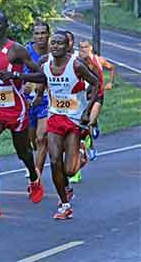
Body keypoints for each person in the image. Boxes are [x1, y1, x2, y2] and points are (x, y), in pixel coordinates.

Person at [0, 10, 46, 222]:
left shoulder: (16, 50)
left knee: (23, 152)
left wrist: (17, 75)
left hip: (15, 110)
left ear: (5, 26)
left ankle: (34, 177)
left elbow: (41, 75)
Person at [43, 31, 98, 219]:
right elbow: (39, 76)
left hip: (74, 119)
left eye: (60, 43)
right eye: (53, 43)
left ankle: (81, 154)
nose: (55, 46)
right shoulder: (46, 64)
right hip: (55, 117)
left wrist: (87, 110)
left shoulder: (77, 65)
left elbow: (96, 83)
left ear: (67, 46)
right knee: (54, 160)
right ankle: (64, 204)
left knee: (70, 170)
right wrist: (14, 75)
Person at [78, 39, 116, 159]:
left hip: (98, 95)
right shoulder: (77, 63)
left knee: (90, 121)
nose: (83, 49)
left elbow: (112, 68)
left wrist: (110, 82)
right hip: (84, 97)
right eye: (81, 47)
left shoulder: (98, 60)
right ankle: (92, 148)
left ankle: (94, 125)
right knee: (85, 123)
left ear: (90, 48)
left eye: (85, 47)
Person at [22, 21, 50, 178]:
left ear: (48, 34)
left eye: (43, 33)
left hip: (46, 100)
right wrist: (25, 84)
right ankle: (32, 163)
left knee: (41, 138)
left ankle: (36, 174)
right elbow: (21, 73)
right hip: (29, 101)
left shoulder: (54, 51)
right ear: (33, 35)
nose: (40, 36)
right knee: (30, 140)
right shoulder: (26, 51)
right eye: (37, 33)